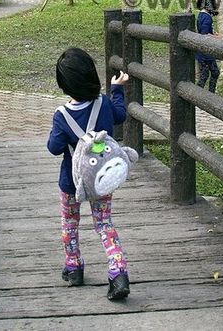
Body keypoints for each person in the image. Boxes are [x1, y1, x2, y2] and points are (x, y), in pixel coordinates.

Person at [47, 48, 131, 300]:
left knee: (70, 224)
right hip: (100, 181)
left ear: (64, 84)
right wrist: (117, 90)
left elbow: (53, 148)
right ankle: (118, 272)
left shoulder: (61, 116)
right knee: (104, 224)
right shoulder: (104, 103)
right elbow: (120, 115)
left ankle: (73, 267)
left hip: (72, 183)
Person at [196, 0, 220, 93]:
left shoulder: (201, 15)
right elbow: (204, 34)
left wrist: (213, 34)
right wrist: (218, 38)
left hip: (202, 52)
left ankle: (209, 94)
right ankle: (200, 95)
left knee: (212, 73)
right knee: (207, 74)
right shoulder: (207, 18)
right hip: (205, 52)